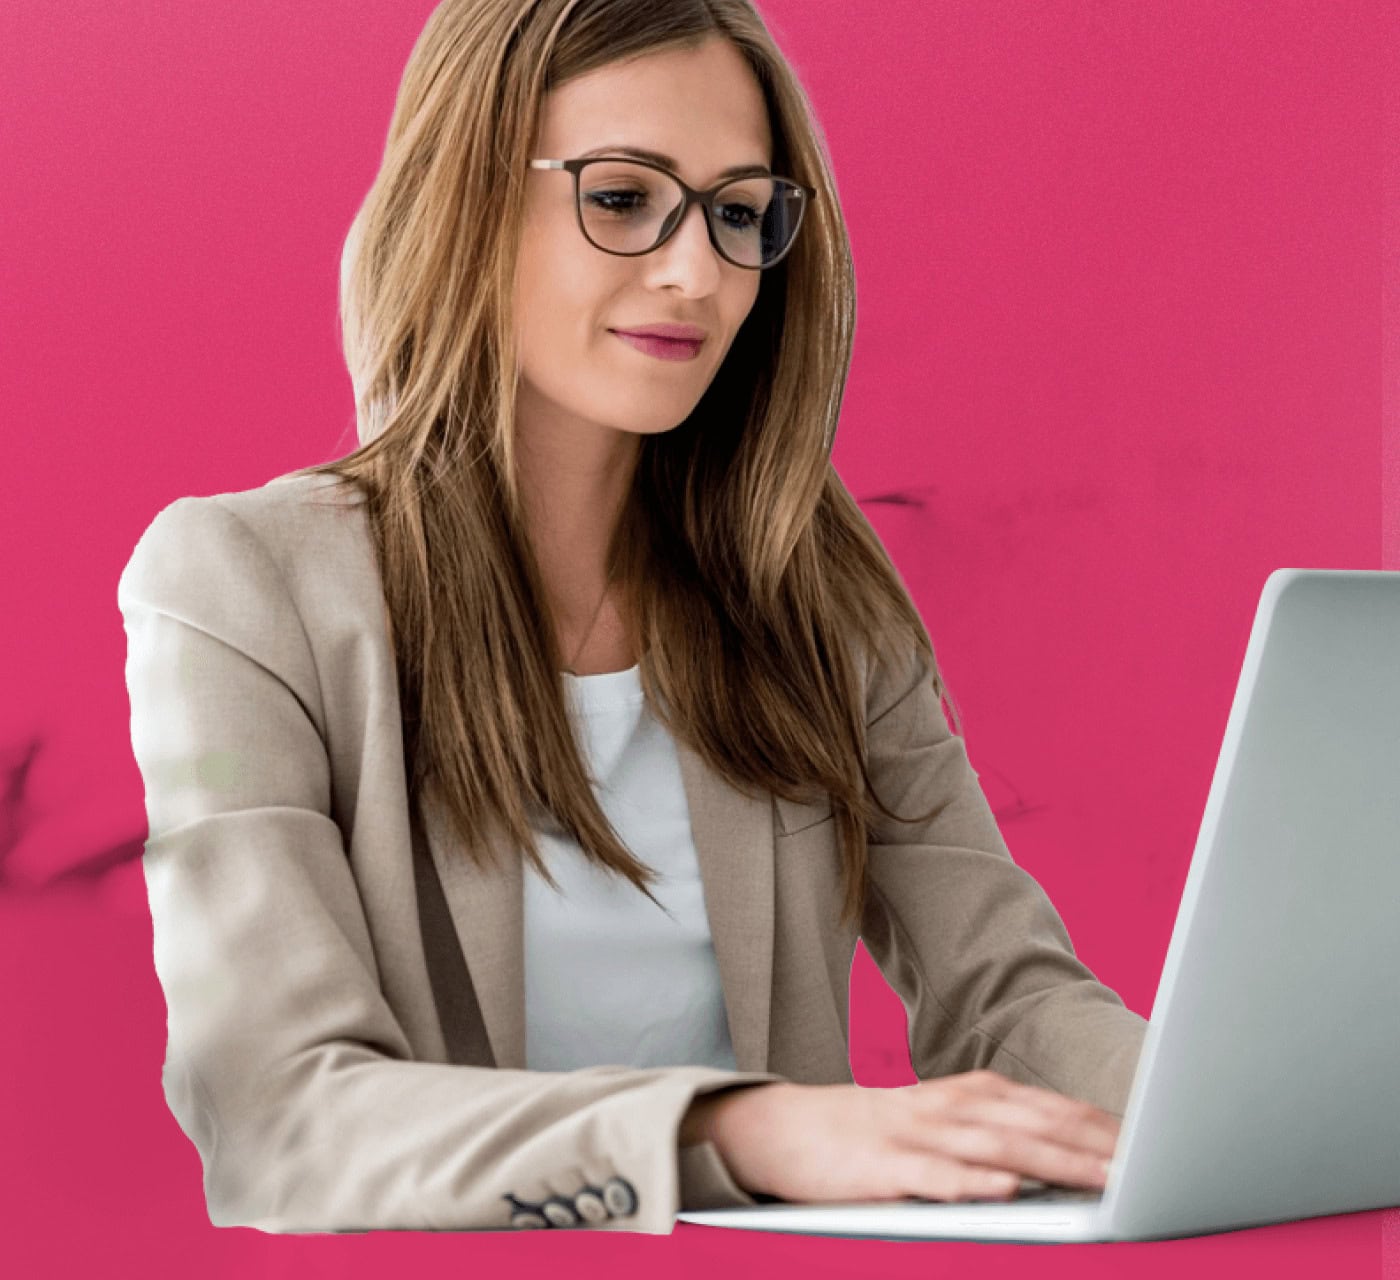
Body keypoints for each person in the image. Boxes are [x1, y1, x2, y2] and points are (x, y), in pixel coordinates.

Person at [117, 0, 1146, 1237]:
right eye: (619, 197)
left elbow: (1006, 995)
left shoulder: (806, 581)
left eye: (736, 211)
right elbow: (277, 1115)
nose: (695, 272)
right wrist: (733, 1127)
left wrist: (1221, 1102)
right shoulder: (235, 584)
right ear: (464, 198)